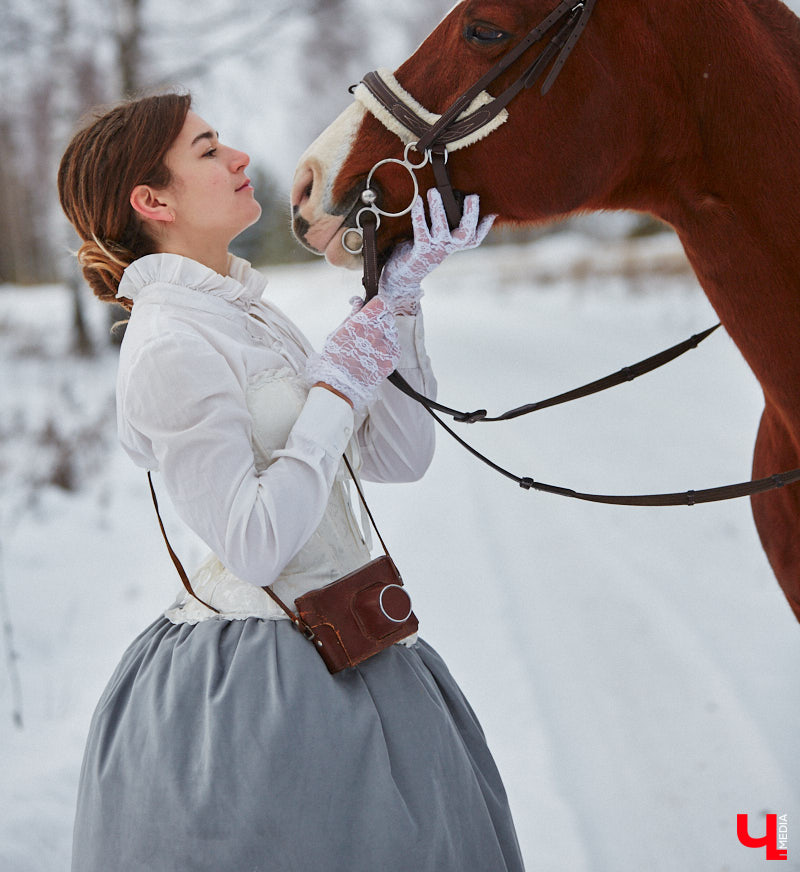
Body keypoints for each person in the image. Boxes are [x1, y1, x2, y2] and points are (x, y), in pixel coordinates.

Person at [57, 91, 524, 872]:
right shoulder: (169, 343)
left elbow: (396, 458)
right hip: (261, 695)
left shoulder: (245, 315)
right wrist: (337, 387)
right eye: (208, 150)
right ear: (152, 200)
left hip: (360, 649)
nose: (240, 157)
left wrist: (396, 303)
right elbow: (257, 544)